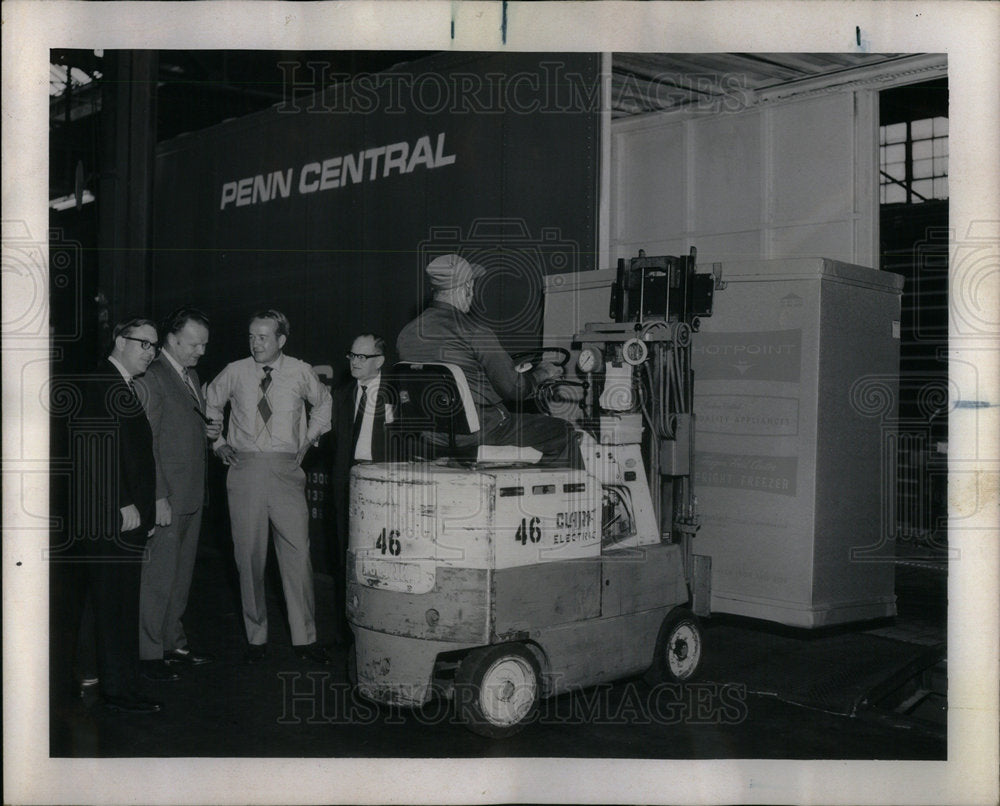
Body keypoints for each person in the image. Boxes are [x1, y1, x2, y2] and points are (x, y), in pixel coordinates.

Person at [205, 309, 333, 664]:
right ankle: (255, 636)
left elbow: (324, 404)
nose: (255, 343)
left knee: (298, 554)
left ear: (281, 340)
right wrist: (217, 444)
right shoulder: (234, 371)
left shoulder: (300, 371)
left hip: (285, 471)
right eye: (251, 336)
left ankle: (304, 638)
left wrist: (307, 441)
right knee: (248, 557)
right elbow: (208, 402)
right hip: (245, 470)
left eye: (263, 336)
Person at [396, 253, 581, 466]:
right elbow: (516, 390)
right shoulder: (474, 332)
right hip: (482, 433)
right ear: (466, 288)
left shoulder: (406, 334)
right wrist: (543, 373)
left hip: (431, 436)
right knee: (561, 430)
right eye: (472, 287)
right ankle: (574, 498)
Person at [76, 317, 161, 713]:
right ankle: (118, 689)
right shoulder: (100, 383)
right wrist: (122, 502)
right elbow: (94, 449)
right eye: (143, 344)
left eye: (153, 347)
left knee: (118, 603)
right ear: (119, 341)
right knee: (114, 605)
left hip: (128, 516)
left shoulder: (122, 385)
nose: (150, 352)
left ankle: (115, 681)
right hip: (113, 518)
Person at [134, 308, 220, 681]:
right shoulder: (153, 377)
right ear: (171, 338)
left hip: (191, 495)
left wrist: (208, 431)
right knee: (157, 579)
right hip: (166, 497)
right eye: (194, 343)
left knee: (181, 577)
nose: (200, 351)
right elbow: (146, 443)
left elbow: (181, 429)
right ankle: (149, 654)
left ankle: (174, 642)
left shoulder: (191, 375)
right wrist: (157, 496)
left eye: (204, 344)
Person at [330, 333, 392, 643]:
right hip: (347, 484)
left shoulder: (397, 394)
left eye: (362, 357)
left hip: (382, 488)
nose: (354, 361)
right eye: (351, 355)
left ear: (379, 361)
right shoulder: (342, 395)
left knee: (381, 559)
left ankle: (382, 629)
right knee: (348, 558)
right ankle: (350, 633)